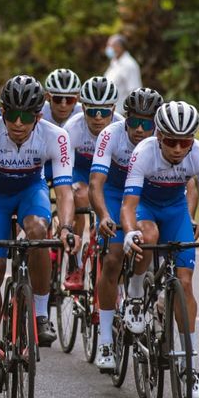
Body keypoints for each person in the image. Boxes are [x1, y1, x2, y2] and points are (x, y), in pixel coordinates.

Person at [0, 75, 78, 393]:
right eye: (12, 115)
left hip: (31, 191)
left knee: (39, 232)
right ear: (2, 113)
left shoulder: (55, 136)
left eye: (26, 116)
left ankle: (41, 313)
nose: (18, 123)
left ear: (38, 116)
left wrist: (68, 228)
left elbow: (65, 189)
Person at [121, 101, 199, 398]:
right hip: (146, 207)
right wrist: (131, 233)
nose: (179, 149)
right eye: (171, 141)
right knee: (149, 235)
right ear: (158, 137)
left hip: (176, 210)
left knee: (186, 282)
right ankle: (136, 293)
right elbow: (128, 205)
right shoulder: (143, 153)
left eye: (185, 142)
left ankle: (189, 365)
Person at [88, 87, 162, 369]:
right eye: (135, 122)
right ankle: (105, 339)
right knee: (113, 257)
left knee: (152, 240)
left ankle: (136, 293)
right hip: (115, 194)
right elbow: (96, 183)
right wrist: (104, 215)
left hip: (146, 196)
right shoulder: (110, 135)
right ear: (125, 119)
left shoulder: (164, 138)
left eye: (148, 123)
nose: (140, 129)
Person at [62, 76, 124, 289]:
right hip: (80, 173)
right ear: (83, 107)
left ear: (113, 109)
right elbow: (65, 170)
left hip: (108, 177)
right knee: (79, 193)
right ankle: (75, 262)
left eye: (105, 111)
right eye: (92, 111)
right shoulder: (72, 127)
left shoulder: (121, 125)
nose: (98, 118)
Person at [104, 34, 142, 114]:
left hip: (121, 113)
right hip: (109, 113)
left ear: (120, 47)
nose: (108, 48)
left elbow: (134, 92)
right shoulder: (114, 62)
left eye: (111, 45)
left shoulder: (129, 65)